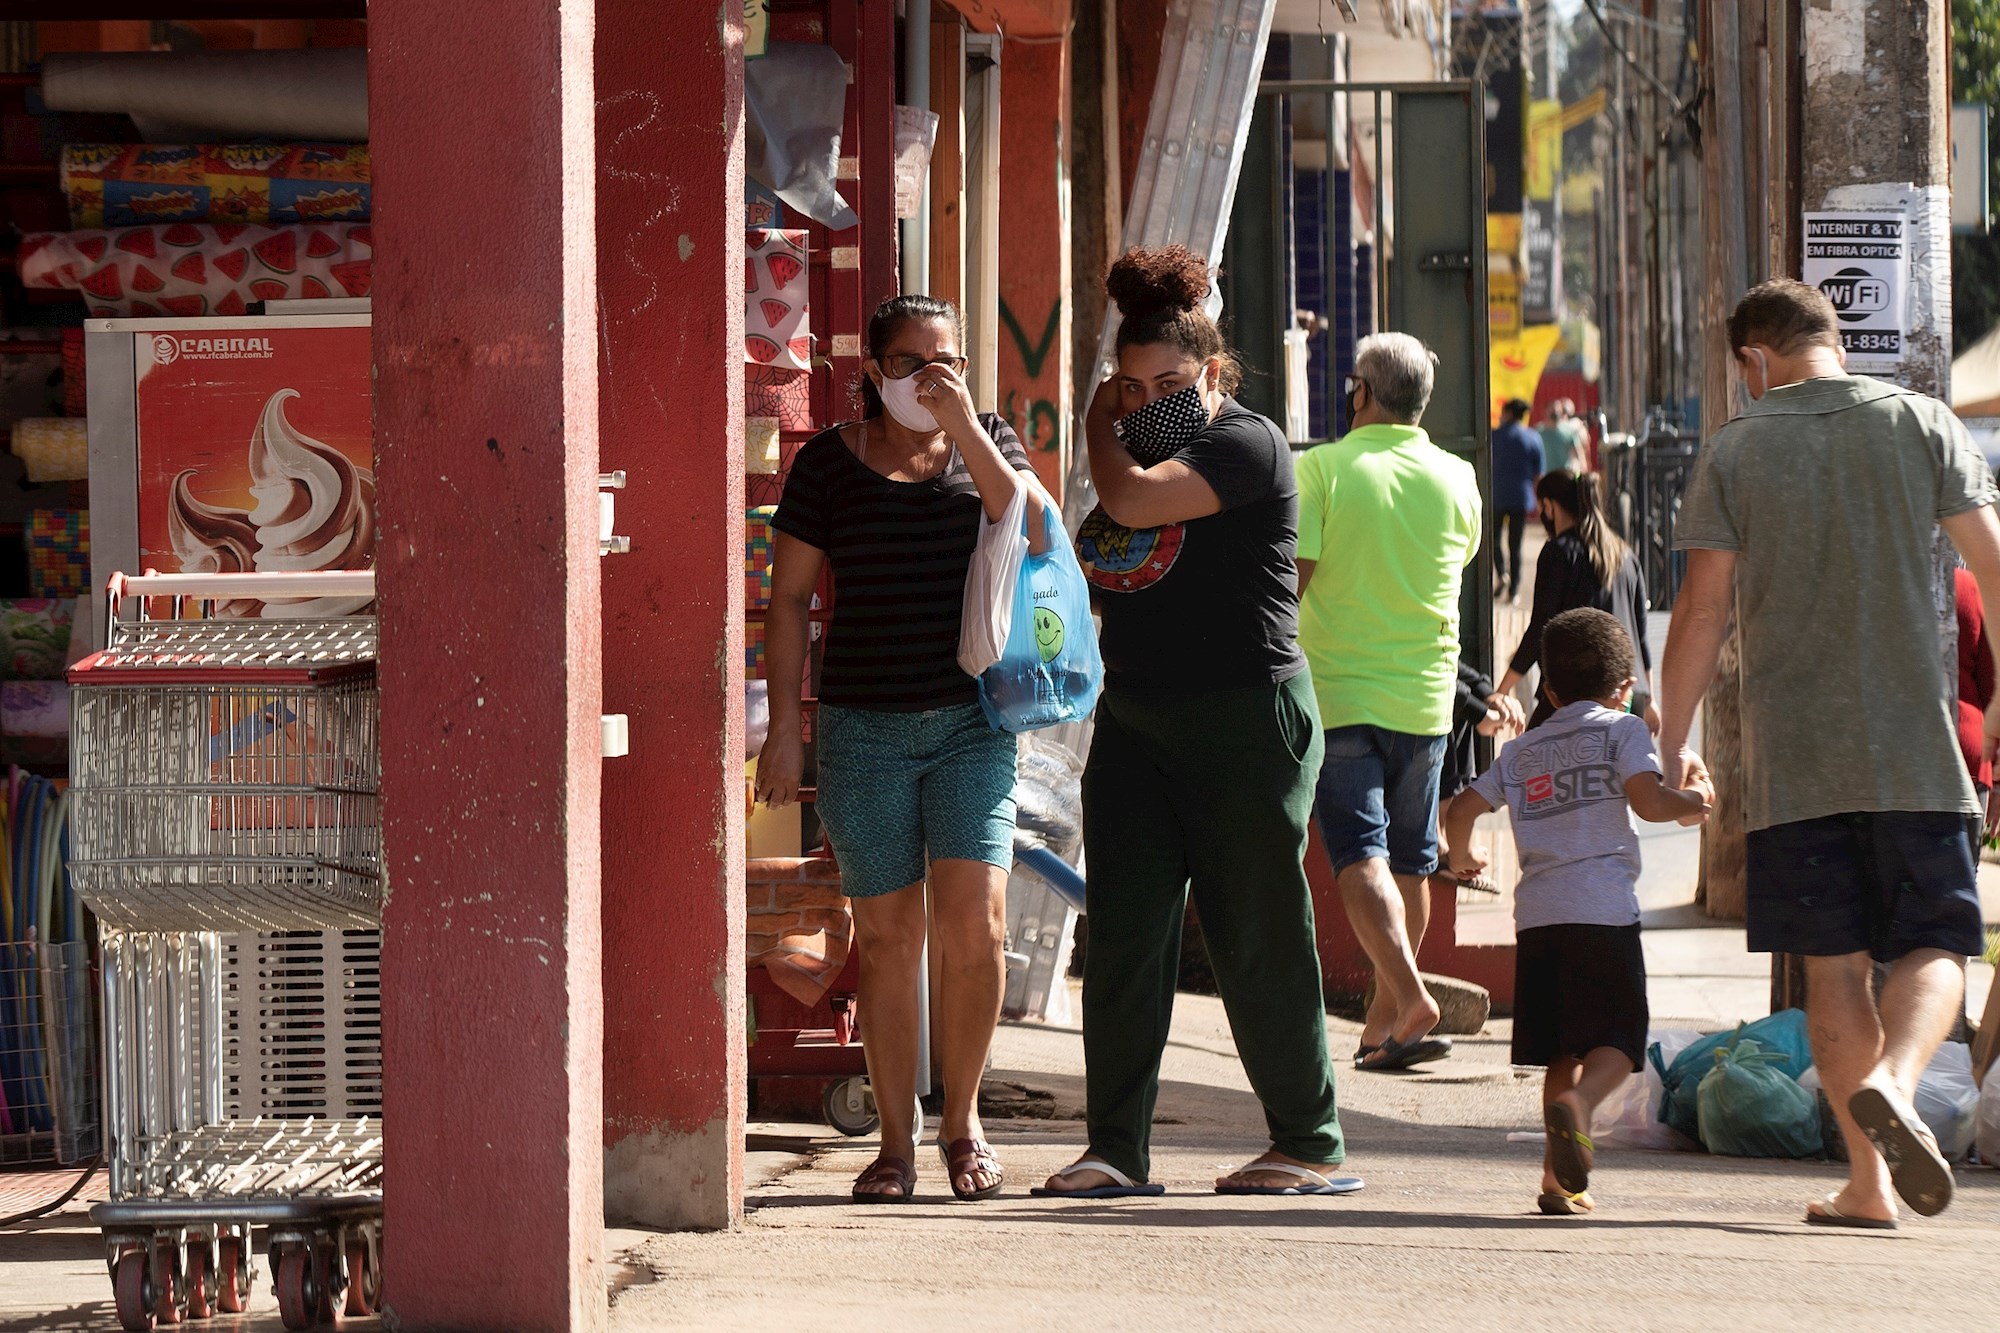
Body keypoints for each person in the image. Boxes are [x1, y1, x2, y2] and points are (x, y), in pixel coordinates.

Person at [1660, 277, 2000, 1229]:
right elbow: (1995, 560)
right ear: (1833, 341)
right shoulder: (1923, 421)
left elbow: (1700, 611)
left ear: (1753, 360)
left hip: (1792, 766)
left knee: (1835, 968)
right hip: (1917, 753)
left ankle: (1868, 1183)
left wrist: (1670, 739)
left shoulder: (1737, 446)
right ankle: (1897, 1077)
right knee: (1937, 943)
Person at [1037, 244, 1351, 1200]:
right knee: (1126, 932)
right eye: (1128, 388)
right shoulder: (1139, 439)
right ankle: (1114, 1150)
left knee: (1253, 930)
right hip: (1135, 715)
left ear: (1211, 374)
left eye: (1167, 383)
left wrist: (1097, 421)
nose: (1144, 402)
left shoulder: (1244, 443)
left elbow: (1127, 501)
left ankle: (1310, 1141)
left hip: (1245, 716)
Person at [757, 293, 1047, 1205]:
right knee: (888, 940)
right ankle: (894, 1141)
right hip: (864, 727)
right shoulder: (823, 469)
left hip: (974, 721)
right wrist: (786, 729)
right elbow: (790, 599)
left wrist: (965, 426)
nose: (931, 376)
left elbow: (1024, 524)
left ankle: (964, 1121)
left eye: (948, 361)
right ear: (871, 374)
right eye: (912, 361)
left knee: (977, 924)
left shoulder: (990, 438)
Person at [1445, 609, 1712, 1216]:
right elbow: (1648, 803)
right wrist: (1694, 801)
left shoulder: (1524, 748)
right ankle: (1585, 1108)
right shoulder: (1623, 730)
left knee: (1561, 1052)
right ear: (1624, 689)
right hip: (1604, 914)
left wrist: (1461, 861)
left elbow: (1461, 810)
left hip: (1539, 920)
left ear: (1553, 691)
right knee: (1618, 1040)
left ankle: (1557, 1181)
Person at [1295, 332, 1482, 1072]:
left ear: (1361, 393)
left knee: (1357, 855)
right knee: (1410, 859)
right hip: (1428, 699)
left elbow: (1295, 578)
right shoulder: (1458, 478)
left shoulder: (1324, 469)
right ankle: (1383, 1023)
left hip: (1341, 692)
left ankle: (1407, 994)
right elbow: (1458, 560)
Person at [1497, 470, 1655, 731]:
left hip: (1577, 699)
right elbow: (1641, 635)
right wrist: (1650, 700)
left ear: (1548, 506)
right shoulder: (1626, 555)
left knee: (1529, 760)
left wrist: (1502, 690)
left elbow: (1540, 629)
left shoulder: (1558, 553)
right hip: (1629, 698)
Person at [1490, 397, 1544, 604]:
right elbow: (1538, 474)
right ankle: (1514, 591)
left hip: (1497, 495)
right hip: (1521, 497)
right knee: (1516, 545)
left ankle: (1502, 573)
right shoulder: (1532, 438)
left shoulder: (1494, 436)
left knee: (1494, 540)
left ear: (1509, 413)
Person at [1539, 398, 1588, 477]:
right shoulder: (1539, 432)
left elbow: (1579, 452)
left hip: (1566, 475)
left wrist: (1582, 471)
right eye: (1552, 409)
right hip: (1547, 476)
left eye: (1557, 409)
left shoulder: (1569, 430)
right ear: (1546, 411)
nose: (1555, 411)